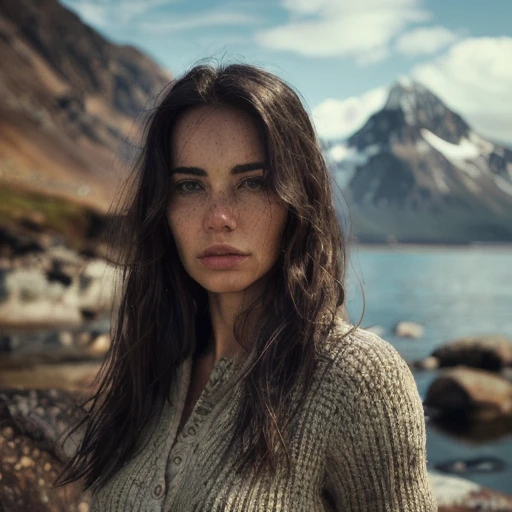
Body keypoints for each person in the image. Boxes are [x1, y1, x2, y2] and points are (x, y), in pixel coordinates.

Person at [55, 62, 438, 511]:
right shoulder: (150, 369)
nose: (218, 216)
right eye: (190, 185)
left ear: (298, 198)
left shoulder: (355, 377)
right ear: (163, 208)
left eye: (252, 182)